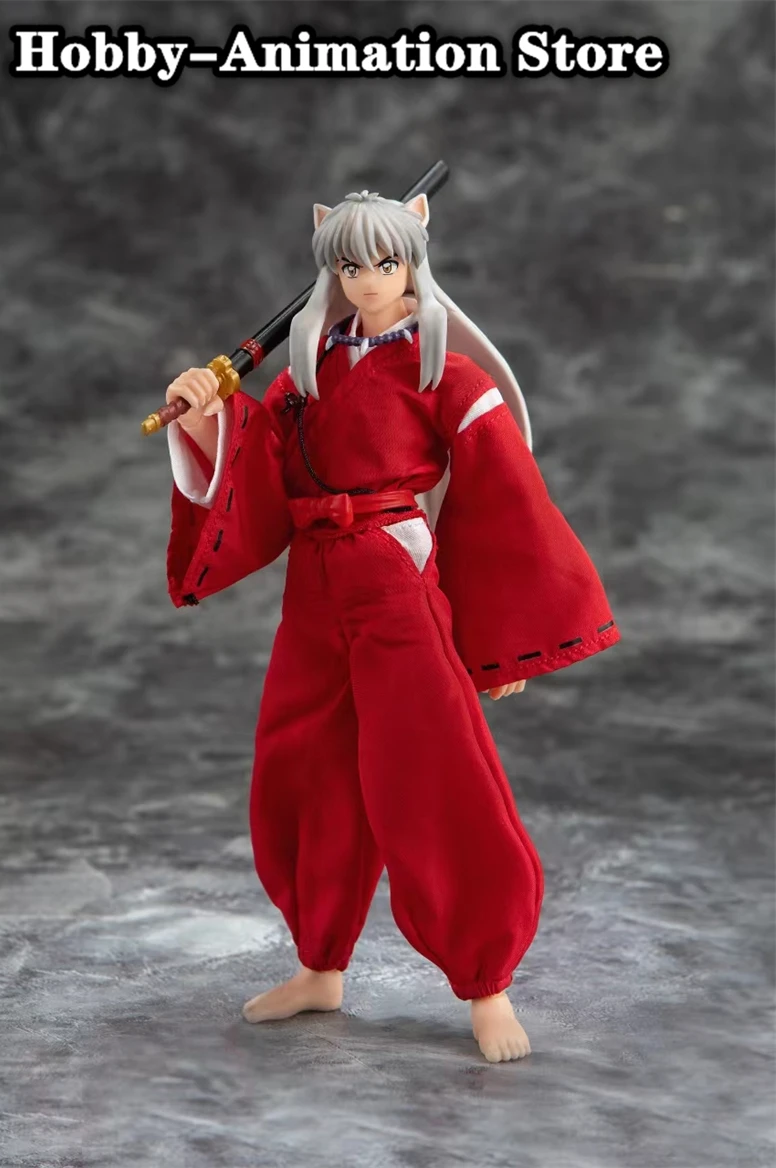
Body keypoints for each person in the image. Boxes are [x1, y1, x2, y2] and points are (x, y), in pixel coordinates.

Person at [164, 190, 620, 1063]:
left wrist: (499, 641)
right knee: (303, 763)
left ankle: (486, 980)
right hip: (315, 582)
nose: (368, 279)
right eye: (349, 264)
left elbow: (501, 496)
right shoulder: (307, 373)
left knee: (432, 767)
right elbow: (264, 473)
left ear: (413, 260)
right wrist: (209, 417)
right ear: (329, 267)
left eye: (385, 261)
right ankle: (319, 961)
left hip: (391, 569)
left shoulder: (442, 370)